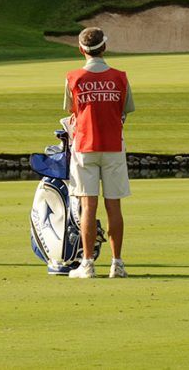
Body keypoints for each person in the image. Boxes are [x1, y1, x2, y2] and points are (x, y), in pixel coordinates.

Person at [64, 27, 135, 279]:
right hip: (114, 146)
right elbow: (126, 110)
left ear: (82, 49)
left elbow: (72, 110)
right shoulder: (120, 77)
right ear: (104, 47)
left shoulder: (73, 77)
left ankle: (88, 264)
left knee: (88, 206)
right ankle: (117, 264)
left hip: (85, 147)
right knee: (113, 205)